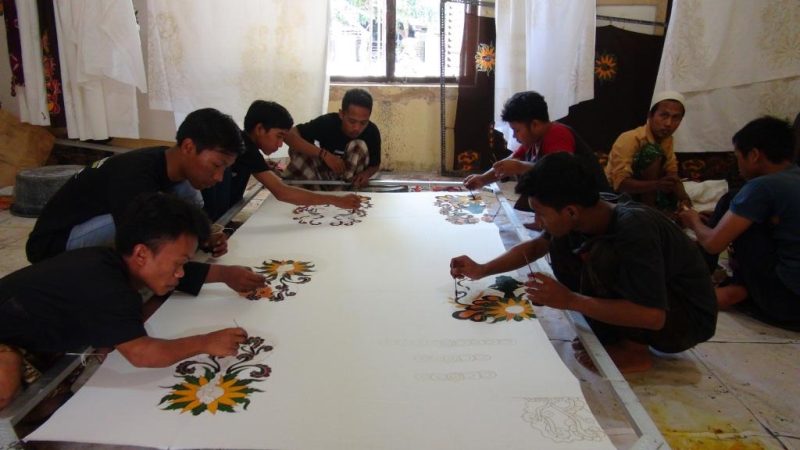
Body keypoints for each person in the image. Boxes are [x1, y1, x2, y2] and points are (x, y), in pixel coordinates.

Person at [451, 153, 717, 373]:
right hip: (658, 305)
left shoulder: (635, 229)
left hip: (684, 319)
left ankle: (634, 351)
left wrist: (570, 300)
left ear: (570, 211)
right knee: (562, 242)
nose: (538, 223)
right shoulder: (588, 214)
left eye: (541, 214)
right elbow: (535, 246)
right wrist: (483, 268)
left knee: (600, 255)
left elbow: (654, 316)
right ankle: (615, 334)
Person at [1, 193, 250, 410]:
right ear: (141, 254)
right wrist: (205, 342)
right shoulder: (105, 284)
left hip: (24, 328)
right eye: (179, 263)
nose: (181, 273)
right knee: (6, 385)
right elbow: (142, 354)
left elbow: (178, 276)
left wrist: (226, 274)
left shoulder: (115, 266)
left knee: (51, 402)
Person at [24, 108, 265, 293]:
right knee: (150, 239)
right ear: (189, 147)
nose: (218, 177)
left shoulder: (170, 164)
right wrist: (222, 275)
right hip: (53, 246)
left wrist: (205, 238)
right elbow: (150, 259)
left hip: (103, 222)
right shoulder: (134, 177)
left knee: (184, 198)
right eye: (216, 165)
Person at [679, 116, 800, 329]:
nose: (738, 167)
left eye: (737, 157)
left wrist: (694, 221)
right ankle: (740, 290)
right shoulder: (793, 177)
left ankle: (695, 285)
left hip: (785, 300)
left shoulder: (761, 186)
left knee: (729, 199)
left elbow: (714, 244)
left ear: (753, 155)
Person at [201, 100, 362, 221]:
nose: (280, 144)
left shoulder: (245, 146)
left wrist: (263, 167)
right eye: (279, 136)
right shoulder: (245, 148)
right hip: (212, 220)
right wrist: (336, 200)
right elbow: (282, 192)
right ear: (259, 129)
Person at [463, 91, 609, 192]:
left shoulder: (558, 133)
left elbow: (561, 173)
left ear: (535, 125)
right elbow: (512, 161)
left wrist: (520, 167)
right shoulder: (532, 141)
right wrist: (482, 179)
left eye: (517, 130)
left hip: (593, 200)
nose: (514, 136)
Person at [605, 90, 691, 212]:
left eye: (676, 118)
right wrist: (657, 184)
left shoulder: (667, 140)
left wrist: (686, 202)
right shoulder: (629, 138)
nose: (669, 124)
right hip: (618, 196)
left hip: (650, 193)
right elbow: (620, 184)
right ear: (650, 116)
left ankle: (656, 213)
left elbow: (672, 175)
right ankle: (650, 212)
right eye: (664, 115)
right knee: (651, 151)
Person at [283, 88, 381, 189]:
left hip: (350, 181)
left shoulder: (371, 132)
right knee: (299, 149)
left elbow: (375, 165)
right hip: (322, 177)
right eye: (352, 121)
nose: (357, 128)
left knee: (358, 145)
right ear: (341, 114)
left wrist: (365, 175)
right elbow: (288, 135)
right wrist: (324, 155)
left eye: (363, 123)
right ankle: (314, 195)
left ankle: (343, 193)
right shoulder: (327, 123)